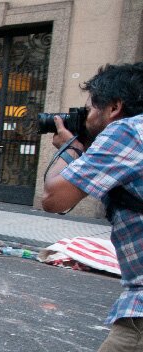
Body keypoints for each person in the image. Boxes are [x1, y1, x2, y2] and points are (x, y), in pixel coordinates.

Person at [41, 62, 143, 352]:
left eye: (90, 109)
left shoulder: (127, 132)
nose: (87, 117)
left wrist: (72, 146)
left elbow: (54, 198)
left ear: (114, 107)